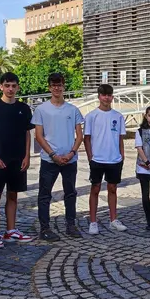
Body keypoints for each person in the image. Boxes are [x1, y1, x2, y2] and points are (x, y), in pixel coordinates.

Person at [0, 72, 34, 249]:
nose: (10, 89)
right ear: (1, 87)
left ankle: (11, 230)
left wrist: (27, 156)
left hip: (17, 159)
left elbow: (27, 133)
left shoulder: (24, 108)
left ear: (18, 87)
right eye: (7, 85)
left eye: (13, 86)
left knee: (13, 195)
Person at [32, 73, 85, 241]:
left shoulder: (72, 110)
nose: (57, 88)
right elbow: (39, 136)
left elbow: (79, 135)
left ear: (64, 86)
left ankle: (71, 224)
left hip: (70, 159)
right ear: (49, 87)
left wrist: (72, 152)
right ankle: (45, 228)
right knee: (45, 194)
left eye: (59, 85)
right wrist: (52, 154)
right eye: (54, 85)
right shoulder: (41, 109)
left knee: (70, 192)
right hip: (49, 159)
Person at [84, 84, 127, 235]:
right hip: (97, 158)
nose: (106, 98)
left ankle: (113, 219)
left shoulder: (118, 116)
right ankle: (93, 221)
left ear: (112, 97)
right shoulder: (91, 116)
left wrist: (122, 155)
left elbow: (120, 138)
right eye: (104, 95)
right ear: (99, 96)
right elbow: (87, 138)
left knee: (112, 188)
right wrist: (90, 157)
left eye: (109, 95)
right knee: (95, 188)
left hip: (114, 158)